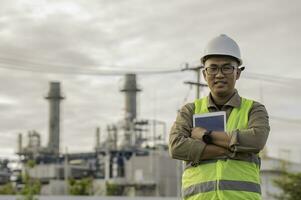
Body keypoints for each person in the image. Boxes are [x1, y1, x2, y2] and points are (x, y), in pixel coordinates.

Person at [169, 34, 270, 200]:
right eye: (213, 68)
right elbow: (176, 147)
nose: (219, 74)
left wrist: (205, 136)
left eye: (227, 68)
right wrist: (231, 150)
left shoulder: (254, 109)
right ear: (204, 74)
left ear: (237, 73)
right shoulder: (190, 111)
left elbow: (256, 140)